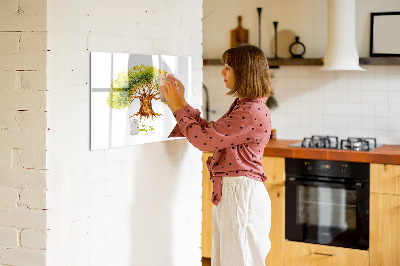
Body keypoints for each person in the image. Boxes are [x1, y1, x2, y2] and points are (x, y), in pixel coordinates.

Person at [161, 44, 273, 266]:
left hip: (241, 195)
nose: (222, 72)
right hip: (236, 193)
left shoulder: (250, 111)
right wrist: (182, 103)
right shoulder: (246, 106)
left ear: (244, 72)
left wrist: (176, 108)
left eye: (228, 67)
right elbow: (212, 133)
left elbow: (204, 141)